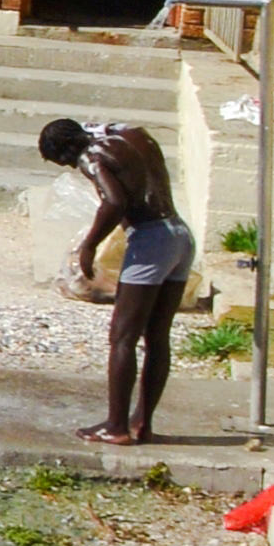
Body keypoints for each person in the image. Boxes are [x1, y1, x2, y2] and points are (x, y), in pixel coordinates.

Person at [45, 115, 192, 443]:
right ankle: (142, 423)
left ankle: (116, 426)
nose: (72, 167)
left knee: (122, 337)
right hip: (180, 235)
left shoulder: (91, 155)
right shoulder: (133, 137)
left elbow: (115, 201)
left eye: (65, 162)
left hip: (151, 240)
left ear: (67, 150)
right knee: (157, 338)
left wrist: (89, 245)